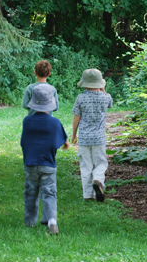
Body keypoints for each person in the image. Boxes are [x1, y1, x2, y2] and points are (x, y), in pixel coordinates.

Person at [20, 83, 69, 235]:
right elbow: (62, 141)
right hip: (48, 164)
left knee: (31, 192)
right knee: (49, 193)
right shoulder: (55, 123)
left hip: (31, 163)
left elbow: (24, 142)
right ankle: (51, 221)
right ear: (51, 103)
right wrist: (65, 144)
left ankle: (30, 222)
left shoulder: (27, 122)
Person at [71, 69, 113, 202]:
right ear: (99, 84)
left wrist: (73, 134)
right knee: (101, 163)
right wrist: (103, 89)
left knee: (85, 166)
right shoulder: (105, 97)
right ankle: (98, 180)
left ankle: (88, 195)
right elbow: (110, 103)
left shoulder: (81, 98)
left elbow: (76, 118)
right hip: (99, 138)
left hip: (84, 138)